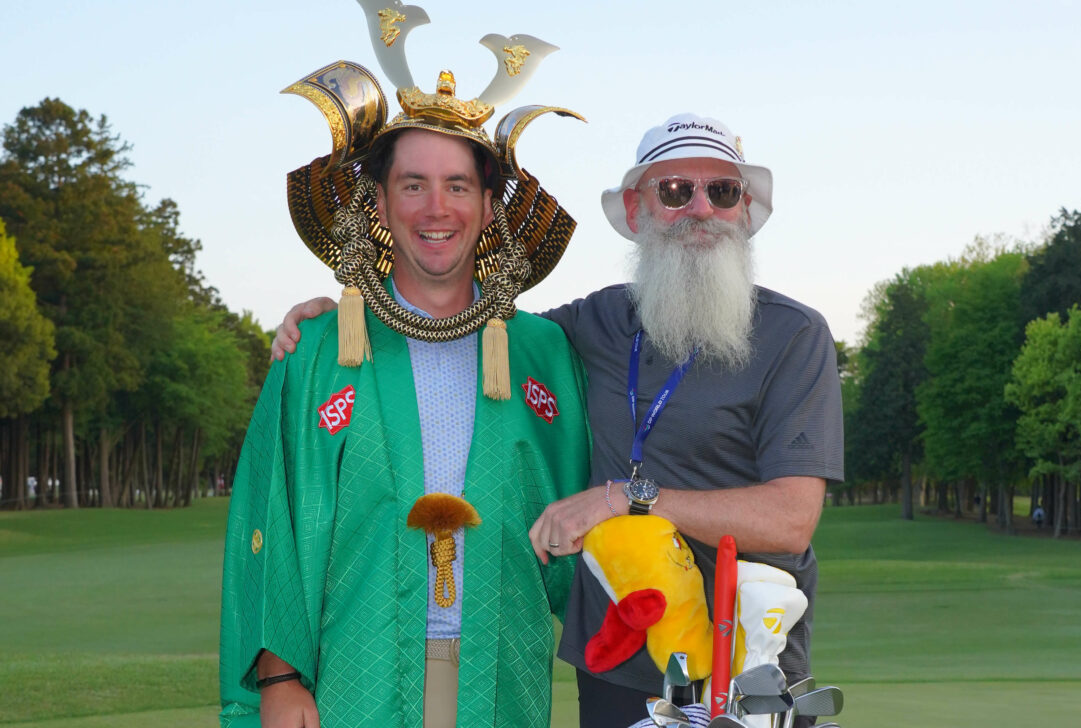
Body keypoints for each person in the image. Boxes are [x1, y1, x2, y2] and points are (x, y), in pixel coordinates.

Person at [272, 113, 844, 728]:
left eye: (722, 191)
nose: (700, 209)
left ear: (745, 210)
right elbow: (457, 328)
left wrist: (628, 499)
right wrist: (350, 314)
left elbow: (790, 519)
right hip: (618, 662)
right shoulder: (587, 326)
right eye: (675, 191)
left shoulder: (794, 334)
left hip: (745, 665)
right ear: (635, 207)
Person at [219, 53, 590, 728]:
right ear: (380, 204)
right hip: (353, 676)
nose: (436, 208)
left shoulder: (543, 352)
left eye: (457, 186)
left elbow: (580, 509)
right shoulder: (319, 353)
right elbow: (271, 516)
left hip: (502, 671)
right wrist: (277, 676)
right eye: (412, 184)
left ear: (486, 206)